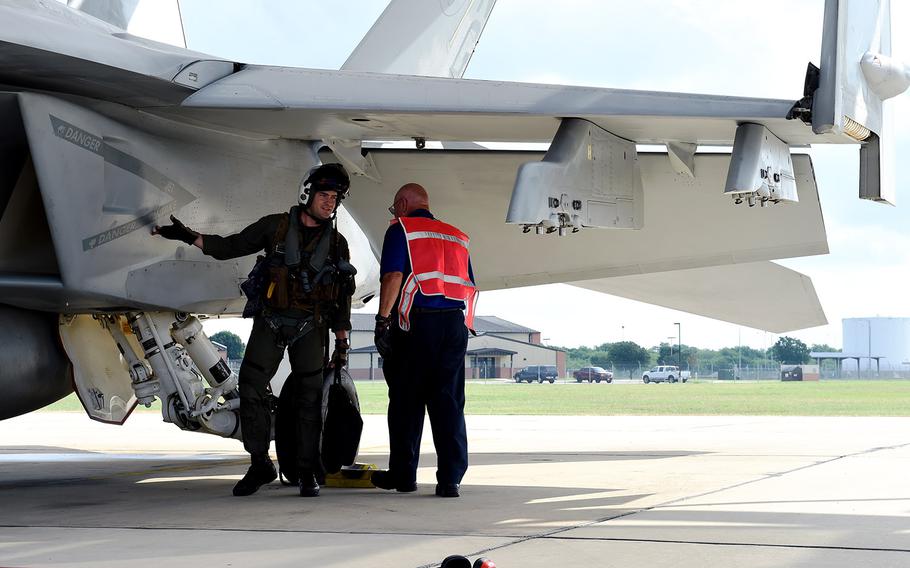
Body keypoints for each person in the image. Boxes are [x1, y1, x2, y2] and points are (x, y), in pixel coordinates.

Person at [152, 163, 356, 498]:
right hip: (272, 322)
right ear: (308, 194)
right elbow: (229, 247)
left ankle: (307, 473)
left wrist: (343, 342)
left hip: (311, 328)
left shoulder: (338, 244)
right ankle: (260, 462)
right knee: (250, 387)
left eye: (335, 198)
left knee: (309, 400)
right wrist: (188, 236)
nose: (330, 203)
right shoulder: (274, 227)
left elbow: (342, 296)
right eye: (324, 195)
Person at [371, 183, 478, 498]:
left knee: (406, 401)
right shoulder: (456, 235)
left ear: (403, 204)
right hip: (455, 326)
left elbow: (392, 276)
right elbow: (468, 283)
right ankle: (450, 480)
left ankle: (404, 476)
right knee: (449, 403)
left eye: (394, 208)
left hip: (418, 326)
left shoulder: (402, 229)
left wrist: (382, 321)